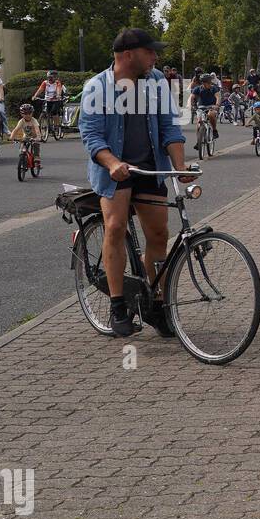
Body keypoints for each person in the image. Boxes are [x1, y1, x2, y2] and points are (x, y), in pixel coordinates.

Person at [80, 27, 192, 337]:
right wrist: (113, 162)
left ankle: (155, 302)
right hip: (113, 170)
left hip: (148, 166)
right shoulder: (97, 88)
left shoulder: (155, 81)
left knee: (158, 234)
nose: (156, 56)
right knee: (115, 226)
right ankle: (118, 306)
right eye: (150, 51)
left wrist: (179, 167)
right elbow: (92, 136)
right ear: (129, 55)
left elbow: (170, 125)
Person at [190, 73, 223, 146]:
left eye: (209, 82)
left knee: (210, 115)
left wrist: (217, 105)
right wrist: (192, 105)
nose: (208, 84)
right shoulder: (198, 89)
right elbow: (192, 97)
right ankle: (198, 141)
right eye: (206, 82)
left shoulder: (214, 88)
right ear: (202, 82)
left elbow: (218, 97)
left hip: (212, 106)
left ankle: (214, 130)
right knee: (199, 122)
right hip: (201, 107)